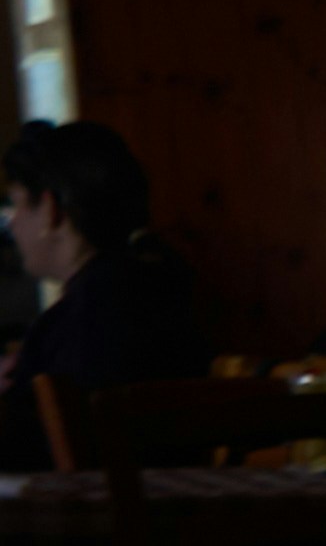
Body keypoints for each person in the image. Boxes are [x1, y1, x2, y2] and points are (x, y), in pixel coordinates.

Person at [4, 122, 213, 451]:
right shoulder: (157, 286)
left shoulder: (91, 314)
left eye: (17, 204)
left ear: (50, 210)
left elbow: (50, 451)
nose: (12, 222)